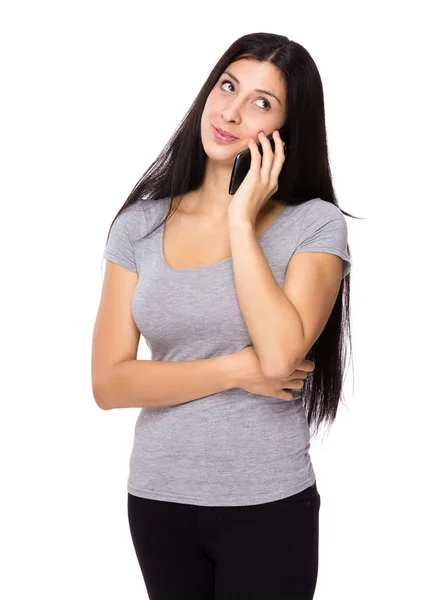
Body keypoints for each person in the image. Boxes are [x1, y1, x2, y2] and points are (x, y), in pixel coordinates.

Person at [92, 32, 357, 600]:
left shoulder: (313, 226)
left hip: (266, 502)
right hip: (158, 497)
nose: (232, 111)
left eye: (262, 102)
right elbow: (109, 382)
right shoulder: (138, 226)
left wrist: (241, 219)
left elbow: (282, 355)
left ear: (288, 128)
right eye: (228, 86)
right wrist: (237, 369)